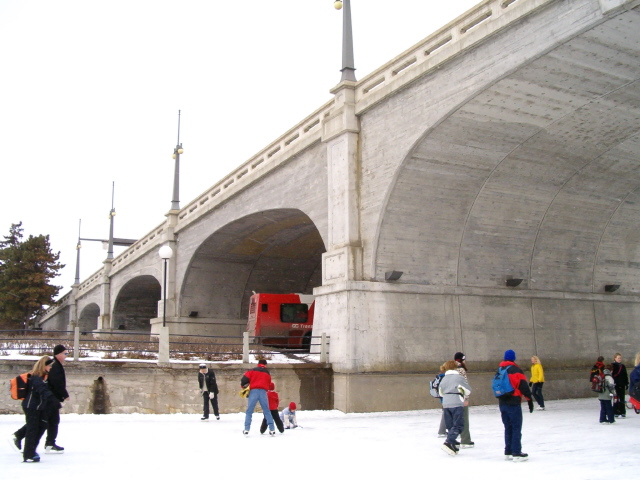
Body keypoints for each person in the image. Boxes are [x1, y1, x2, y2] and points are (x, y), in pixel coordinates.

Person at [497, 349, 533, 462]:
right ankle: (516, 452)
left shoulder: (500, 369)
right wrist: (529, 399)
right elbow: (523, 386)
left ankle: (508, 451)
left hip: (502, 402)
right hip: (513, 402)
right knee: (516, 427)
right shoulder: (516, 370)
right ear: (513, 358)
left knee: (508, 427)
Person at [21, 356, 55, 463]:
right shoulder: (35, 377)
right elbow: (41, 390)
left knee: (43, 425)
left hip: (39, 407)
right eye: (49, 366)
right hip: (31, 407)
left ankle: (32, 450)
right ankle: (28, 454)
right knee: (32, 429)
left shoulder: (44, 377)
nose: (50, 368)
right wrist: (52, 399)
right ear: (44, 366)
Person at [438, 360, 471, 456]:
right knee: (458, 425)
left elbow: (440, 392)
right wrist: (461, 391)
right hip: (456, 402)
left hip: (446, 403)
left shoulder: (444, 378)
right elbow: (468, 390)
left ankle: (452, 444)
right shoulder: (458, 377)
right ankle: (449, 442)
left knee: (450, 426)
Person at [44, 344, 69, 453]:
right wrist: (65, 394)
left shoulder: (56, 365)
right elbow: (56, 382)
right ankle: (18, 436)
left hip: (52, 398)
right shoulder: (55, 366)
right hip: (51, 398)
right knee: (42, 421)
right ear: (58, 354)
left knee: (52, 420)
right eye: (65, 353)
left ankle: (50, 443)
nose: (66, 356)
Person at [240, 359, 276, 436]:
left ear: (258, 364)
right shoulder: (267, 373)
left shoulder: (252, 371)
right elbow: (269, 384)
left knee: (249, 411)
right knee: (266, 411)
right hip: (263, 392)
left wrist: (243, 386)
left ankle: (246, 429)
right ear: (265, 365)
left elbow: (244, 379)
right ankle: (272, 429)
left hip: (253, 391)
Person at [611, 353, 629, 418]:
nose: (619, 359)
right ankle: (616, 411)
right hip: (615, 384)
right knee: (616, 399)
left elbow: (625, 375)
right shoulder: (612, 365)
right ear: (615, 358)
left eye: (620, 358)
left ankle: (623, 411)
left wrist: (626, 383)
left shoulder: (622, 366)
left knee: (622, 398)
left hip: (622, 384)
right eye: (618, 358)